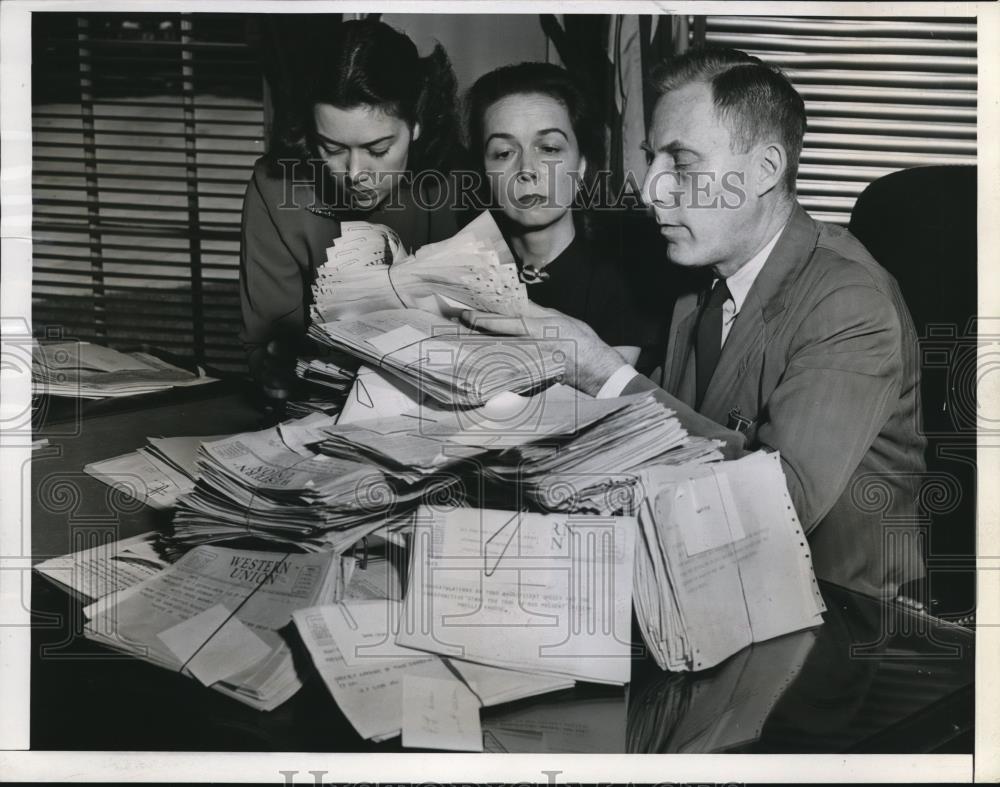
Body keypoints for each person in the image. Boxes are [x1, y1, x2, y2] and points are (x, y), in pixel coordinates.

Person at [463, 47, 926, 599]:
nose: (650, 187)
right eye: (652, 159)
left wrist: (603, 373)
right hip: (713, 586)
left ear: (765, 170)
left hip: (840, 623)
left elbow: (779, 507)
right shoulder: (699, 282)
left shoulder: (848, 301)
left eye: (681, 163)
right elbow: (673, 460)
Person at [240, 19, 465, 399]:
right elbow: (264, 345)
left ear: (417, 124)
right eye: (332, 148)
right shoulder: (275, 187)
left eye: (378, 150)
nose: (356, 174)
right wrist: (274, 366)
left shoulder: (462, 182)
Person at [465, 62, 668, 372]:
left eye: (548, 148)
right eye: (504, 153)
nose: (527, 170)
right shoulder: (463, 271)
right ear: (483, 171)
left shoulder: (625, 283)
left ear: (582, 164)